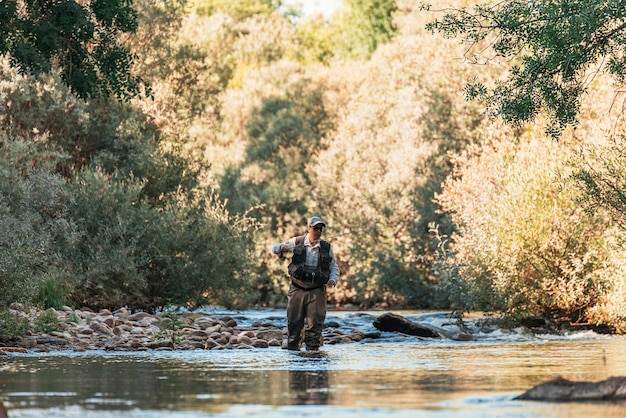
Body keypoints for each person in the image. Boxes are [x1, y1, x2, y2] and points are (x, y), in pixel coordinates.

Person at [272, 216, 340, 351]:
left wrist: (333, 279)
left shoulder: (326, 247)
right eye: (315, 228)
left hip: (317, 290)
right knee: (294, 323)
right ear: (309, 228)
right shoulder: (297, 241)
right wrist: (282, 247)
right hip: (297, 288)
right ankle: (293, 355)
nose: (318, 231)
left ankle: (313, 355)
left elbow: (334, 267)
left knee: (315, 324)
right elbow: (274, 248)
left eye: (320, 229)